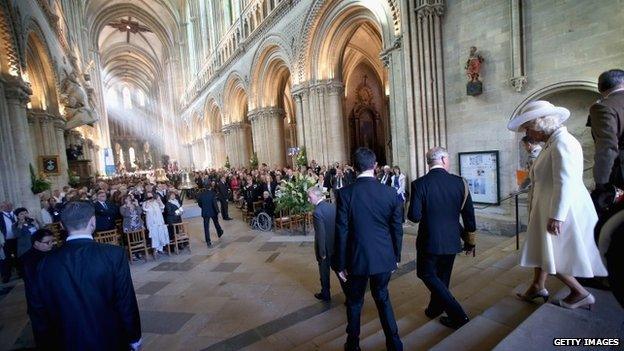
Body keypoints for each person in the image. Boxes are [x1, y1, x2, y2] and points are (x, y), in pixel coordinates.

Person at [507, 100, 608, 309]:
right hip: (547, 205)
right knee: (543, 248)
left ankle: (580, 293)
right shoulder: (553, 143)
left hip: (560, 208)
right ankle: (538, 286)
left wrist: (557, 216)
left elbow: (566, 181)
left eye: (528, 127)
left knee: (552, 253)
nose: (527, 132)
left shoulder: (562, 142)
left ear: (539, 124)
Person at [29, 201, 142, 350]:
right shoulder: (114, 254)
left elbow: (38, 310)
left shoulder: (46, 263)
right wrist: (134, 337)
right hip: (110, 338)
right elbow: (125, 300)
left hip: (67, 340)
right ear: (93, 222)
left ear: (62, 226)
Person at [335, 147, 403, 351]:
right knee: (382, 297)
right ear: (375, 166)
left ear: (354, 168)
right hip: (384, 257)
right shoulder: (390, 193)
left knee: (355, 303)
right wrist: (396, 257)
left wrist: (340, 264)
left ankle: (353, 345)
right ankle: (395, 343)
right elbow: (396, 229)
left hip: (356, 259)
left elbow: (342, 232)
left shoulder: (345, 194)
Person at [407, 147, 476, 329]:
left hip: (429, 240)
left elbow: (414, 216)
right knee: (442, 277)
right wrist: (470, 241)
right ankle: (434, 308)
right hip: (452, 240)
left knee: (426, 273)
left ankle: (457, 314)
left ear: (429, 162)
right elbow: (469, 215)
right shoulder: (460, 182)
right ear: (444, 160)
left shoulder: (419, 184)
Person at [307, 186, 343, 302]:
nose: (308, 199)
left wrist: (322, 252)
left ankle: (326, 294)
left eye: (310, 197)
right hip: (335, 245)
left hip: (325, 249)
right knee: (340, 272)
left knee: (324, 273)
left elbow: (320, 234)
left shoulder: (317, 212)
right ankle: (349, 295)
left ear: (317, 196)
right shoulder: (332, 207)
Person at [20, 229, 54, 348]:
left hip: (53, 301)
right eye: (47, 242)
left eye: (52, 241)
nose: (51, 244)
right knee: (44, 337)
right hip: (39, 304)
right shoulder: (28, 260)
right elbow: (33, 286)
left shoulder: (53, 252)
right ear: (36, 243)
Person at [1, 201, 17, 283]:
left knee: (17, 255)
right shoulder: (0, 215)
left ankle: (20, 271)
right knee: (7, 258)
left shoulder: (14, 214)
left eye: (10, 205)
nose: (9, 207)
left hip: (16, 238)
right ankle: (7, 275)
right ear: (2, 207)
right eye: (7, 205)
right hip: (6, 240)